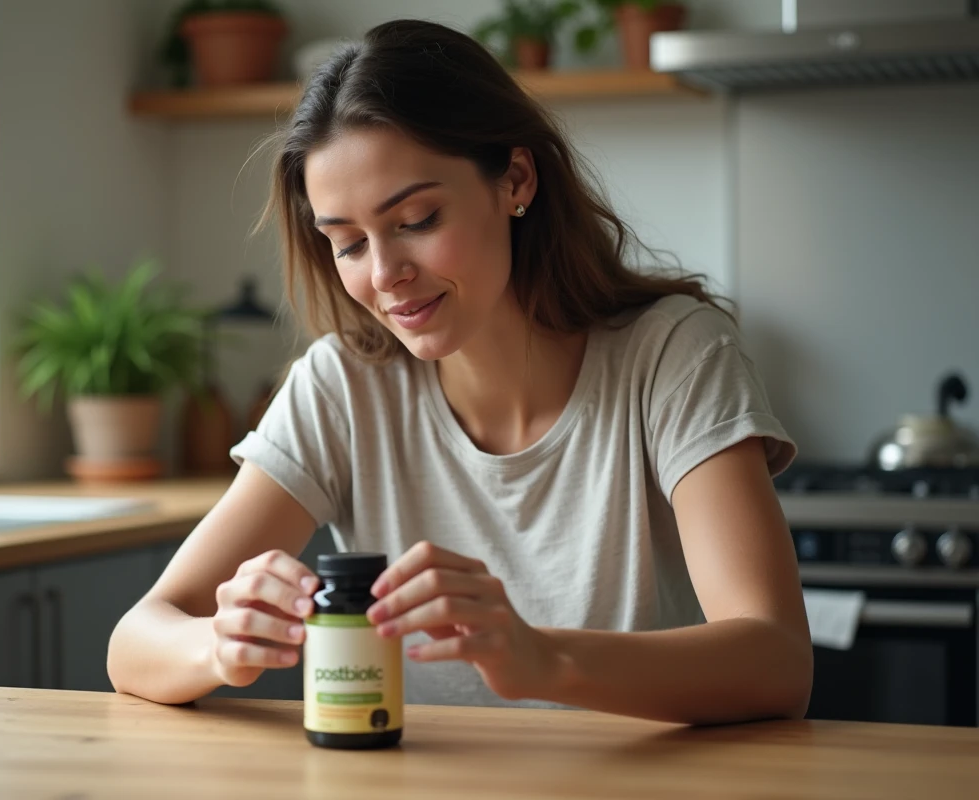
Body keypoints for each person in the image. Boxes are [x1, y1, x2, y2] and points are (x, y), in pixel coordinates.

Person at [107, 19, 812, 725]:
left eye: (417, 219)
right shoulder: (343, 387)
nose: (385, 274)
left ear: (515, 180)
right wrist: (219, 645)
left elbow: (776, 661)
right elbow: (136, 640)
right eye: (348, 244)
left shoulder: (673, 355)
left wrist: (544, 659)